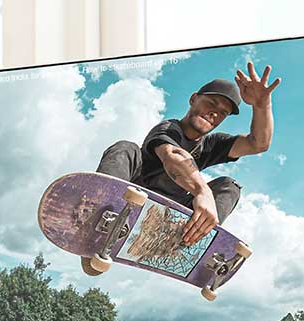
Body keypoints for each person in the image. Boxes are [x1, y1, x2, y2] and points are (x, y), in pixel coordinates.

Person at [95, 61, 281, 250]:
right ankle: (104, 214)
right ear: (193, 99)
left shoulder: (212, 144)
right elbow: (172, 156)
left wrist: (262, 106)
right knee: (124, 148)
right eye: (211, 103)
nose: (214, 113)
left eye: (222, 112)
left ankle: (187, 239)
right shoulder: (168, 128)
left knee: (229, 186)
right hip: (133, 195)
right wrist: (202, 191)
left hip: (170, 215)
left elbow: (258, 144)